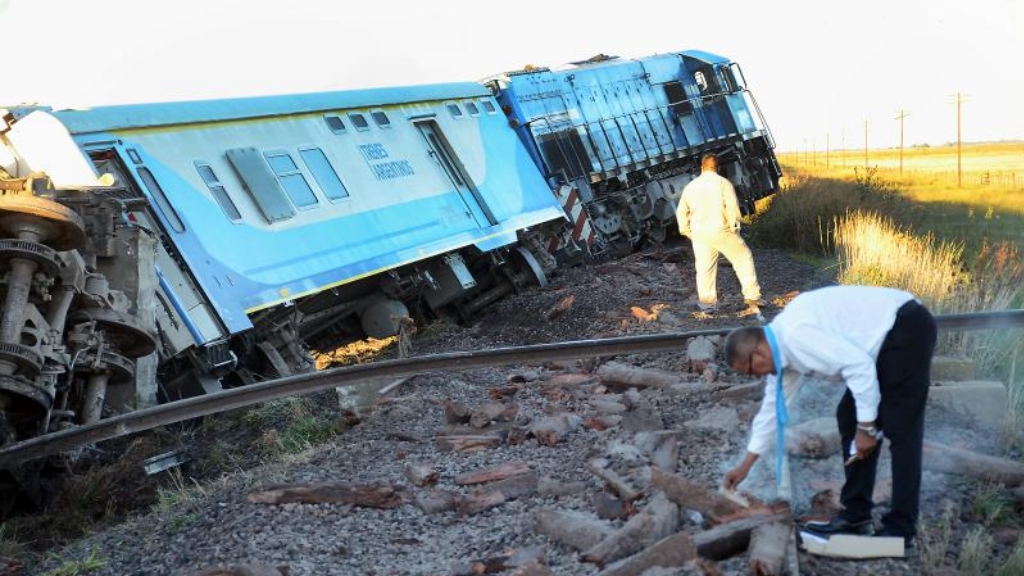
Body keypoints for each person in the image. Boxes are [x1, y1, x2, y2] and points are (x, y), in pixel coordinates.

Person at [722, 285, 937, 548]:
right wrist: (745, 466)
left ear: (758, 352)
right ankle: (856, 517)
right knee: (848, 416)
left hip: (905, 327)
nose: (757, 376)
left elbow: (858, 366)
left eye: (751, 370)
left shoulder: (797, 335)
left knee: (901, 430)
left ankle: (901, 531)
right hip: (883, 341)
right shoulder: (781, 351)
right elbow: (770, 413)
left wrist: (867, 428)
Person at [675, 153, 761, 315]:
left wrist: (687, 232)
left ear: (702, 167)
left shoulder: (690, 186)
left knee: (704, 269)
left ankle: (707, 305)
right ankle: (752, 297)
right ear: (718, 168)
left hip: (700, 234)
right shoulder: (724, 183)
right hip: (721, 230)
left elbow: (681, 212)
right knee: (743, 258)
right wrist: (733, 228)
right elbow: (733, 210)